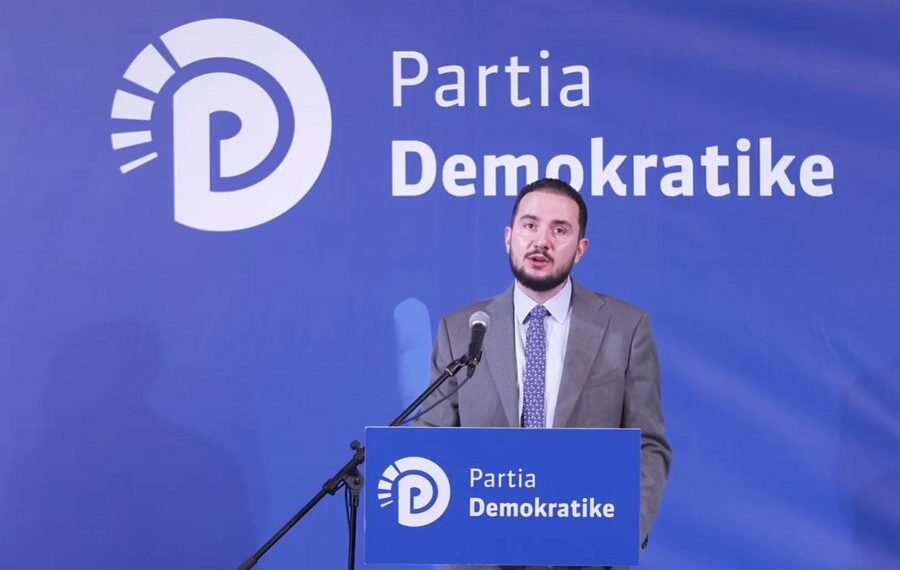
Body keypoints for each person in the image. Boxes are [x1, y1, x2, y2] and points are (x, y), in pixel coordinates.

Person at [418, 178, 672, 570]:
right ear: (509, 237)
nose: (541, 241)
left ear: (580, 249)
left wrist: (620, 535)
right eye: (530, 225)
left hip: (585, 557)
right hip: (480, 557)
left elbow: (648, 446)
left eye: (559, 230)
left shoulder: (626, 328)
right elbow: (433, 441)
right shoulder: (462, 330)